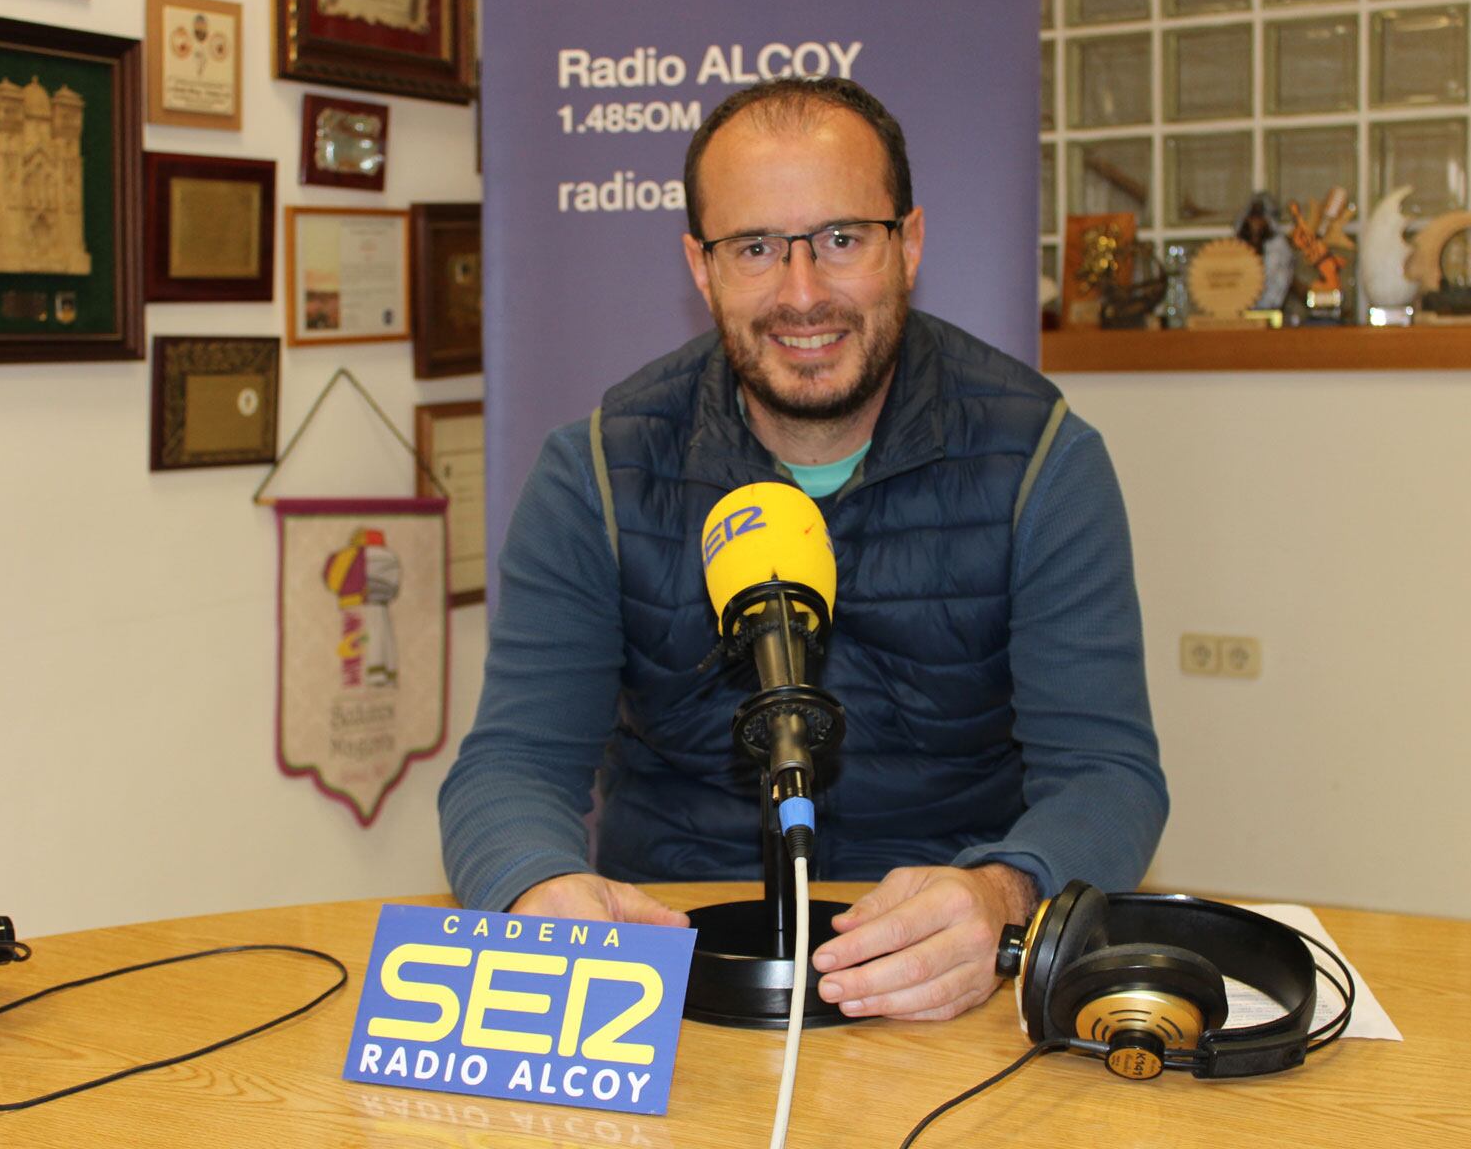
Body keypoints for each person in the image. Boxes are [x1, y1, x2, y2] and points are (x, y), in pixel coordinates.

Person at [439, 77, 1166, 1023]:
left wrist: (1006, 895)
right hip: (674, 963)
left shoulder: (1044, 461)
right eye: (754, 249)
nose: (803, 294)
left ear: (908, 243)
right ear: (700, 268)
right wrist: (538, 889)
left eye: (841, 238)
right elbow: (513, 765)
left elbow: (1108, 775)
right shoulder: (598, 472)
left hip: (954, 971)